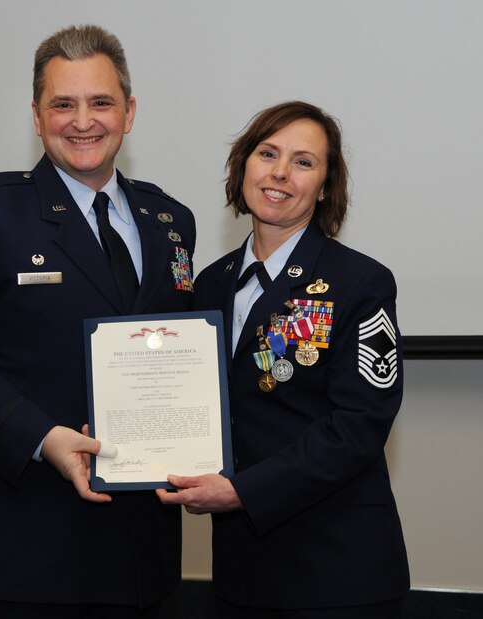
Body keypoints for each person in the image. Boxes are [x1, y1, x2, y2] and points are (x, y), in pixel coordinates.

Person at [0, 24, 195, 618]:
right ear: (36, 116)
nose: (83, 121)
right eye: (63, 104)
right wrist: (38, 436)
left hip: (139, 556)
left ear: (129, 112)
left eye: (101, 102)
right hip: (19, 551)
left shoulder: (169, 219)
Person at [157, 101, 409, 618]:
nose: (279, 173)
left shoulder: (360, 282)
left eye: (303, 161)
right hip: (241, 569)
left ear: (325, 185)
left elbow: (358, 426)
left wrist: (242, 492)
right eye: (267, 153)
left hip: (336, 569)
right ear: (242, 165)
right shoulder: (210, 283)